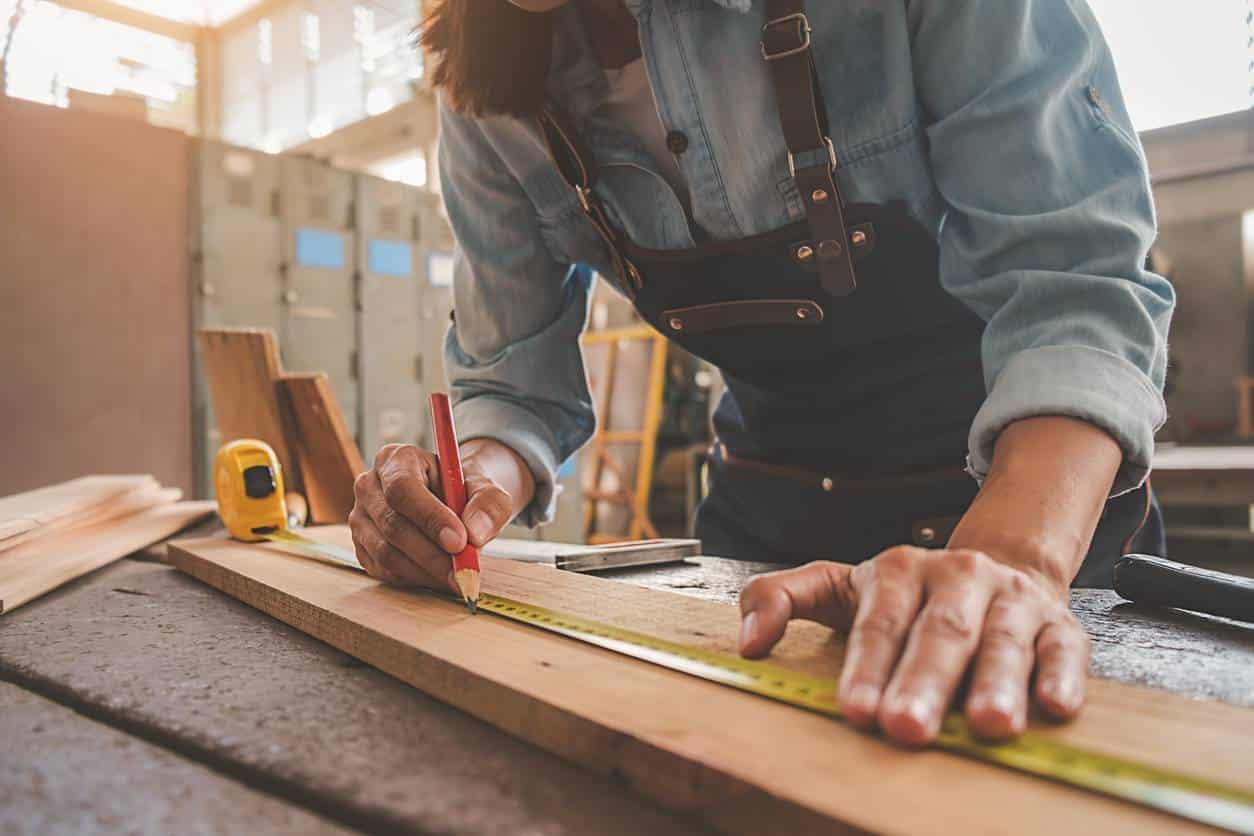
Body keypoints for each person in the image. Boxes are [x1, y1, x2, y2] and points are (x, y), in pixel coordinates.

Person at [349, 0, 1174, 746]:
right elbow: (511, 384)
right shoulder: (483, 82)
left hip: (1030, 512)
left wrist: (1013, 560)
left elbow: (1076, 290)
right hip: (768, 523)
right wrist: (464, 497)